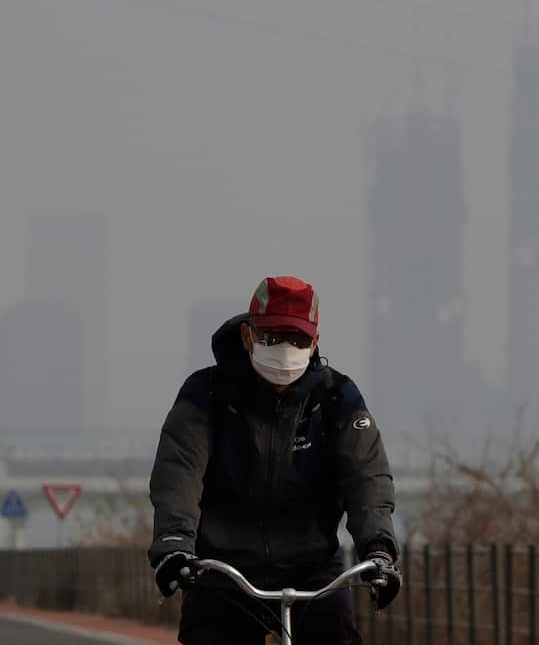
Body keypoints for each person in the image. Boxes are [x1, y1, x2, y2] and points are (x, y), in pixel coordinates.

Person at [148, 276, 401, 644]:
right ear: (249, 336)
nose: (285, 348)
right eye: (272, 337)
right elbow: (178, 472)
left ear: (314, 342)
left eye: (297, 339)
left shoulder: (336, 397)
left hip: (312, 569)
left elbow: (367, 477)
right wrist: (173, 545)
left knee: (339, 635)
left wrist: (379, 550)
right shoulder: (206, 394)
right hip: (222, 572)